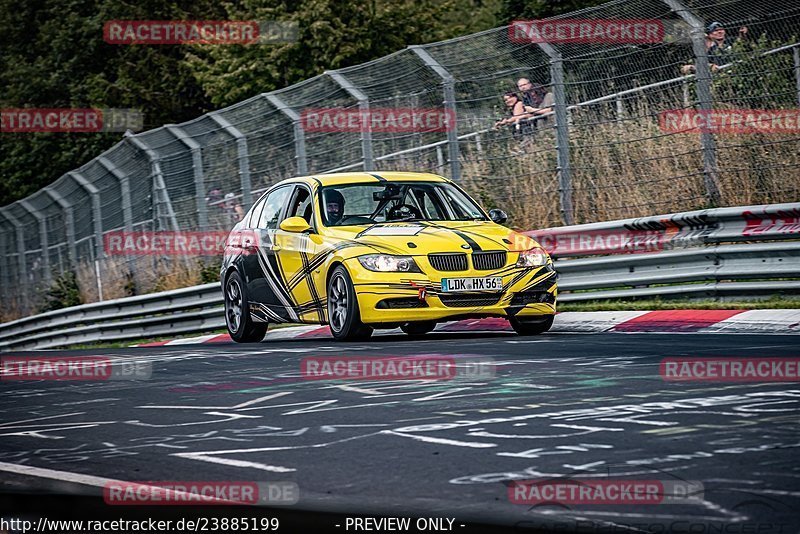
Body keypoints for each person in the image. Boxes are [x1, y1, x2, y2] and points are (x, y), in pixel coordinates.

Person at [680, 22, 748, 74]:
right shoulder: (711, 50)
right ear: (710, 34)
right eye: (715, 30)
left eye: (721, 29)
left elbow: (741, 42)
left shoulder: (731, 41)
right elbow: (705, 63)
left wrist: (742, 35)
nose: (719, 32)